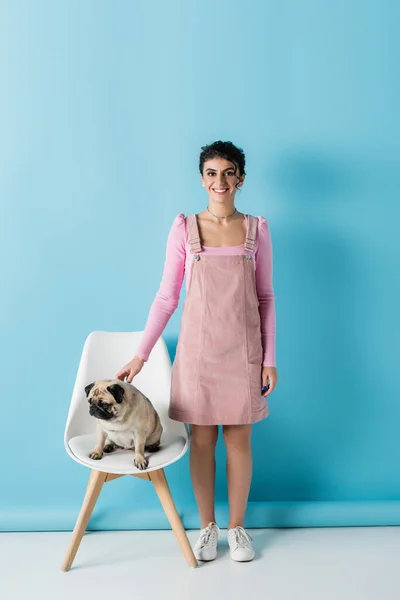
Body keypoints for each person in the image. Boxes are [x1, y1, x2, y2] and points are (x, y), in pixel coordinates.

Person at [116, 140, 278, 562]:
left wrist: (269, 359)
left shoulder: (257, 229)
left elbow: (266, 299)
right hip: (199, 356)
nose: (219, 181)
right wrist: (141, 355)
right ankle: (208, 528)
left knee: (239, 441)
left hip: (243, 353)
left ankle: (237, 529)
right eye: (211, 173)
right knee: (203, 441)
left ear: (240, 178)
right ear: (202, 179)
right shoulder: (184, 229)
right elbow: (167, 297)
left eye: (228, 172)